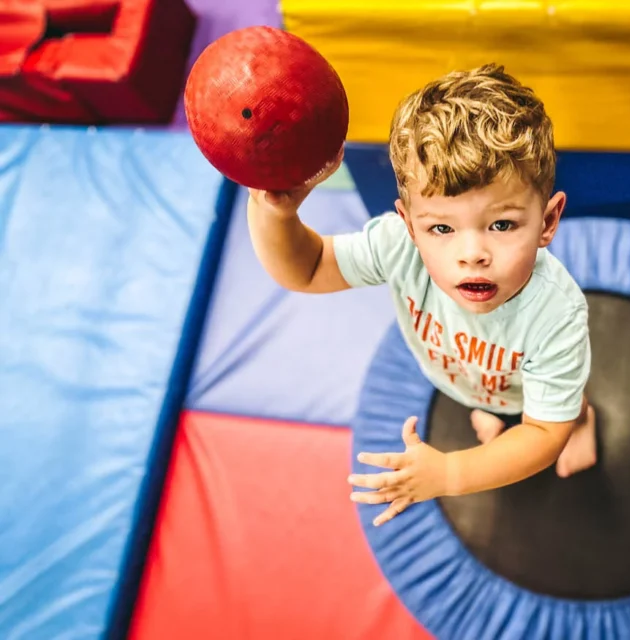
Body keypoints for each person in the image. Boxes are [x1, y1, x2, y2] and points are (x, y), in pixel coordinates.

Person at [246, 63, 597, 526]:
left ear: (548, 222)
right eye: (442, 229)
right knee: (487, 408)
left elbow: (544, 432)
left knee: (565, 411)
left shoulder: (557, 314)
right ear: (409, 226)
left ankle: (586, 423)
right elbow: (307, 270)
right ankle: (491, 415)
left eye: (502, 225)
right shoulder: (398, 245)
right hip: (464, 378)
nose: (472, 254)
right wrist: (273, 211)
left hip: (526, 394)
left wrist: (450, 471)